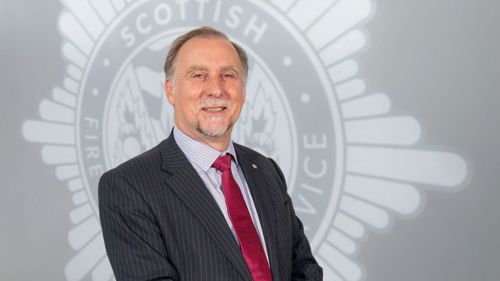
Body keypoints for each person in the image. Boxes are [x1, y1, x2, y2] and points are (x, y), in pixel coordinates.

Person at [99, 26, 323, 281]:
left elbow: (305, 270)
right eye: (198, 75)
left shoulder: (266, 170)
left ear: (243, 90)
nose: (216, 90)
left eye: (228, 75)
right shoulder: (129, 186)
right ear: (170, 90)